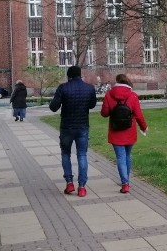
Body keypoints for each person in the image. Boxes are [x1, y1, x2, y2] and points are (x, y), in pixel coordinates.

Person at [49, 65, 97, 197]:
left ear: (69, 76)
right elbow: (92, 105)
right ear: (80, 75)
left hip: (66, 127)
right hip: (82, 126)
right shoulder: (89, 88)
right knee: (82, 155)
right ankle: (82, 187)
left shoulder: (63, 88)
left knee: (66, 154)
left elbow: (53, 107)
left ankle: (69, 183)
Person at [100, 74, 147, 194]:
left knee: (120, 157)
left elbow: (104, 113)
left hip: (115, 130)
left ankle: (125, 183)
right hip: (129, 131)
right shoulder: (133, 96)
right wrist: (144, 127)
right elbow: (138, 115)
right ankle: (127, 179)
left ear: (116, 82)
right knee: (127, 155)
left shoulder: (109, 95)